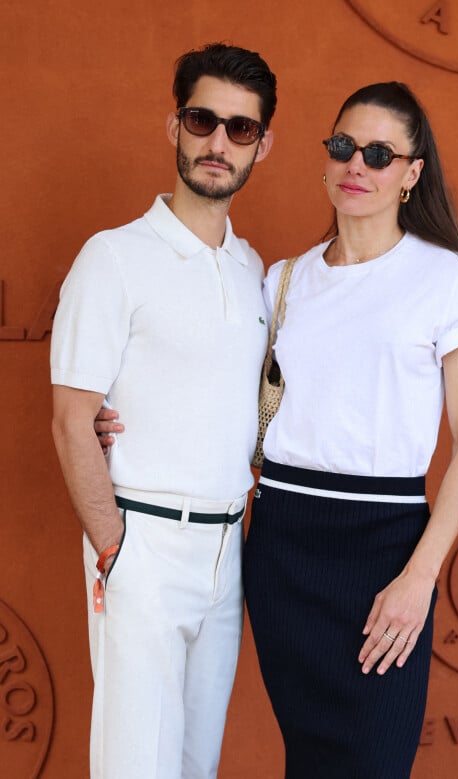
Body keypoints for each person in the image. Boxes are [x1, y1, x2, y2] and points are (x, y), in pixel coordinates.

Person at [241, 82, 458, 779]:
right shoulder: (283, 281)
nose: (357, 165)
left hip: (386, 547)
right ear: (325, 160)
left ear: (412, 174)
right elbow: (231, 405)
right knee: (309, 759)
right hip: (283, 546)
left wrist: (420, 576)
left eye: (380, 153)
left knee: (371, 762)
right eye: (343, 147)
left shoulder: (446, 278)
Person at [50, 43, 276, 779]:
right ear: (173, 126)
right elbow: (71, 416)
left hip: (225, 550)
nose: (219, 143)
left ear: (262, 145)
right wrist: (115, 547)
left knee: (192, 764)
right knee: (133, 765)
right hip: (140, 537)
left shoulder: (253, 272)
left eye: (239, 129)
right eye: (203, 120)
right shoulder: (113, 257)